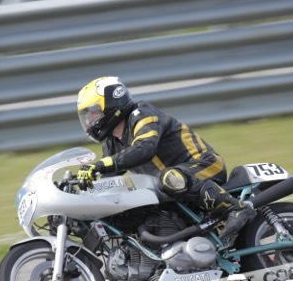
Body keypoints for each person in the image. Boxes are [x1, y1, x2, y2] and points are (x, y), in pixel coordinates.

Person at [76, 76, 256, 242]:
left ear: (111, 104)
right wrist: (83, 194)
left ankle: (235, 208)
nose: (89, 120)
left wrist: (100, 165)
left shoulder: (142, 114)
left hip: (204, 165)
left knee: (168, 177)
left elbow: (144, 149)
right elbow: (108, 180)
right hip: (171, 186)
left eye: (93, 112)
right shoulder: (112, 143)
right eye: (86, 116)